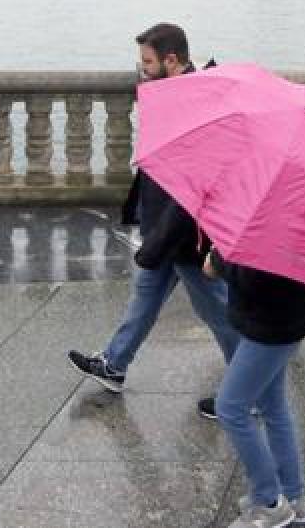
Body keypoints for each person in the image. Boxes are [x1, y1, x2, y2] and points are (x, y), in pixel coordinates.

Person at [67, 23, 240, 419]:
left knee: (217, 310)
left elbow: (193, 186)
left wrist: (163, 235)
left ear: (172, 61)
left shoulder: (195, 105)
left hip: (182, 232)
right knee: (144, 298)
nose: (142, 70)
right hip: (162, 225)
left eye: (147, 63)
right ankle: (114, 365)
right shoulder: (175, 91)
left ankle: (250, 389)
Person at [206, 247, 305, 528]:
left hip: (269, 327)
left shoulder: (273, 215)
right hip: (283, 322)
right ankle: (293, 497)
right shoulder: (293, 216)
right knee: (273, 407)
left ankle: (270, 502)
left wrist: (218, 261)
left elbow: (256, 278)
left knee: (230, 408)